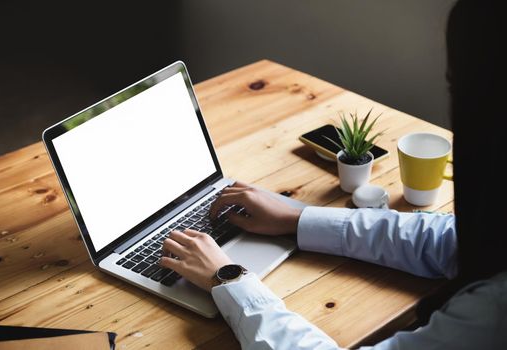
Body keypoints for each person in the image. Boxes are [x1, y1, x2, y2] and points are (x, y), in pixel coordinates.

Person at [159, 1, 506, 348]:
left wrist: (229, 280)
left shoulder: (493, 313)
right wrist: (297, 219)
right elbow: (446, 240)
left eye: (454, 87)